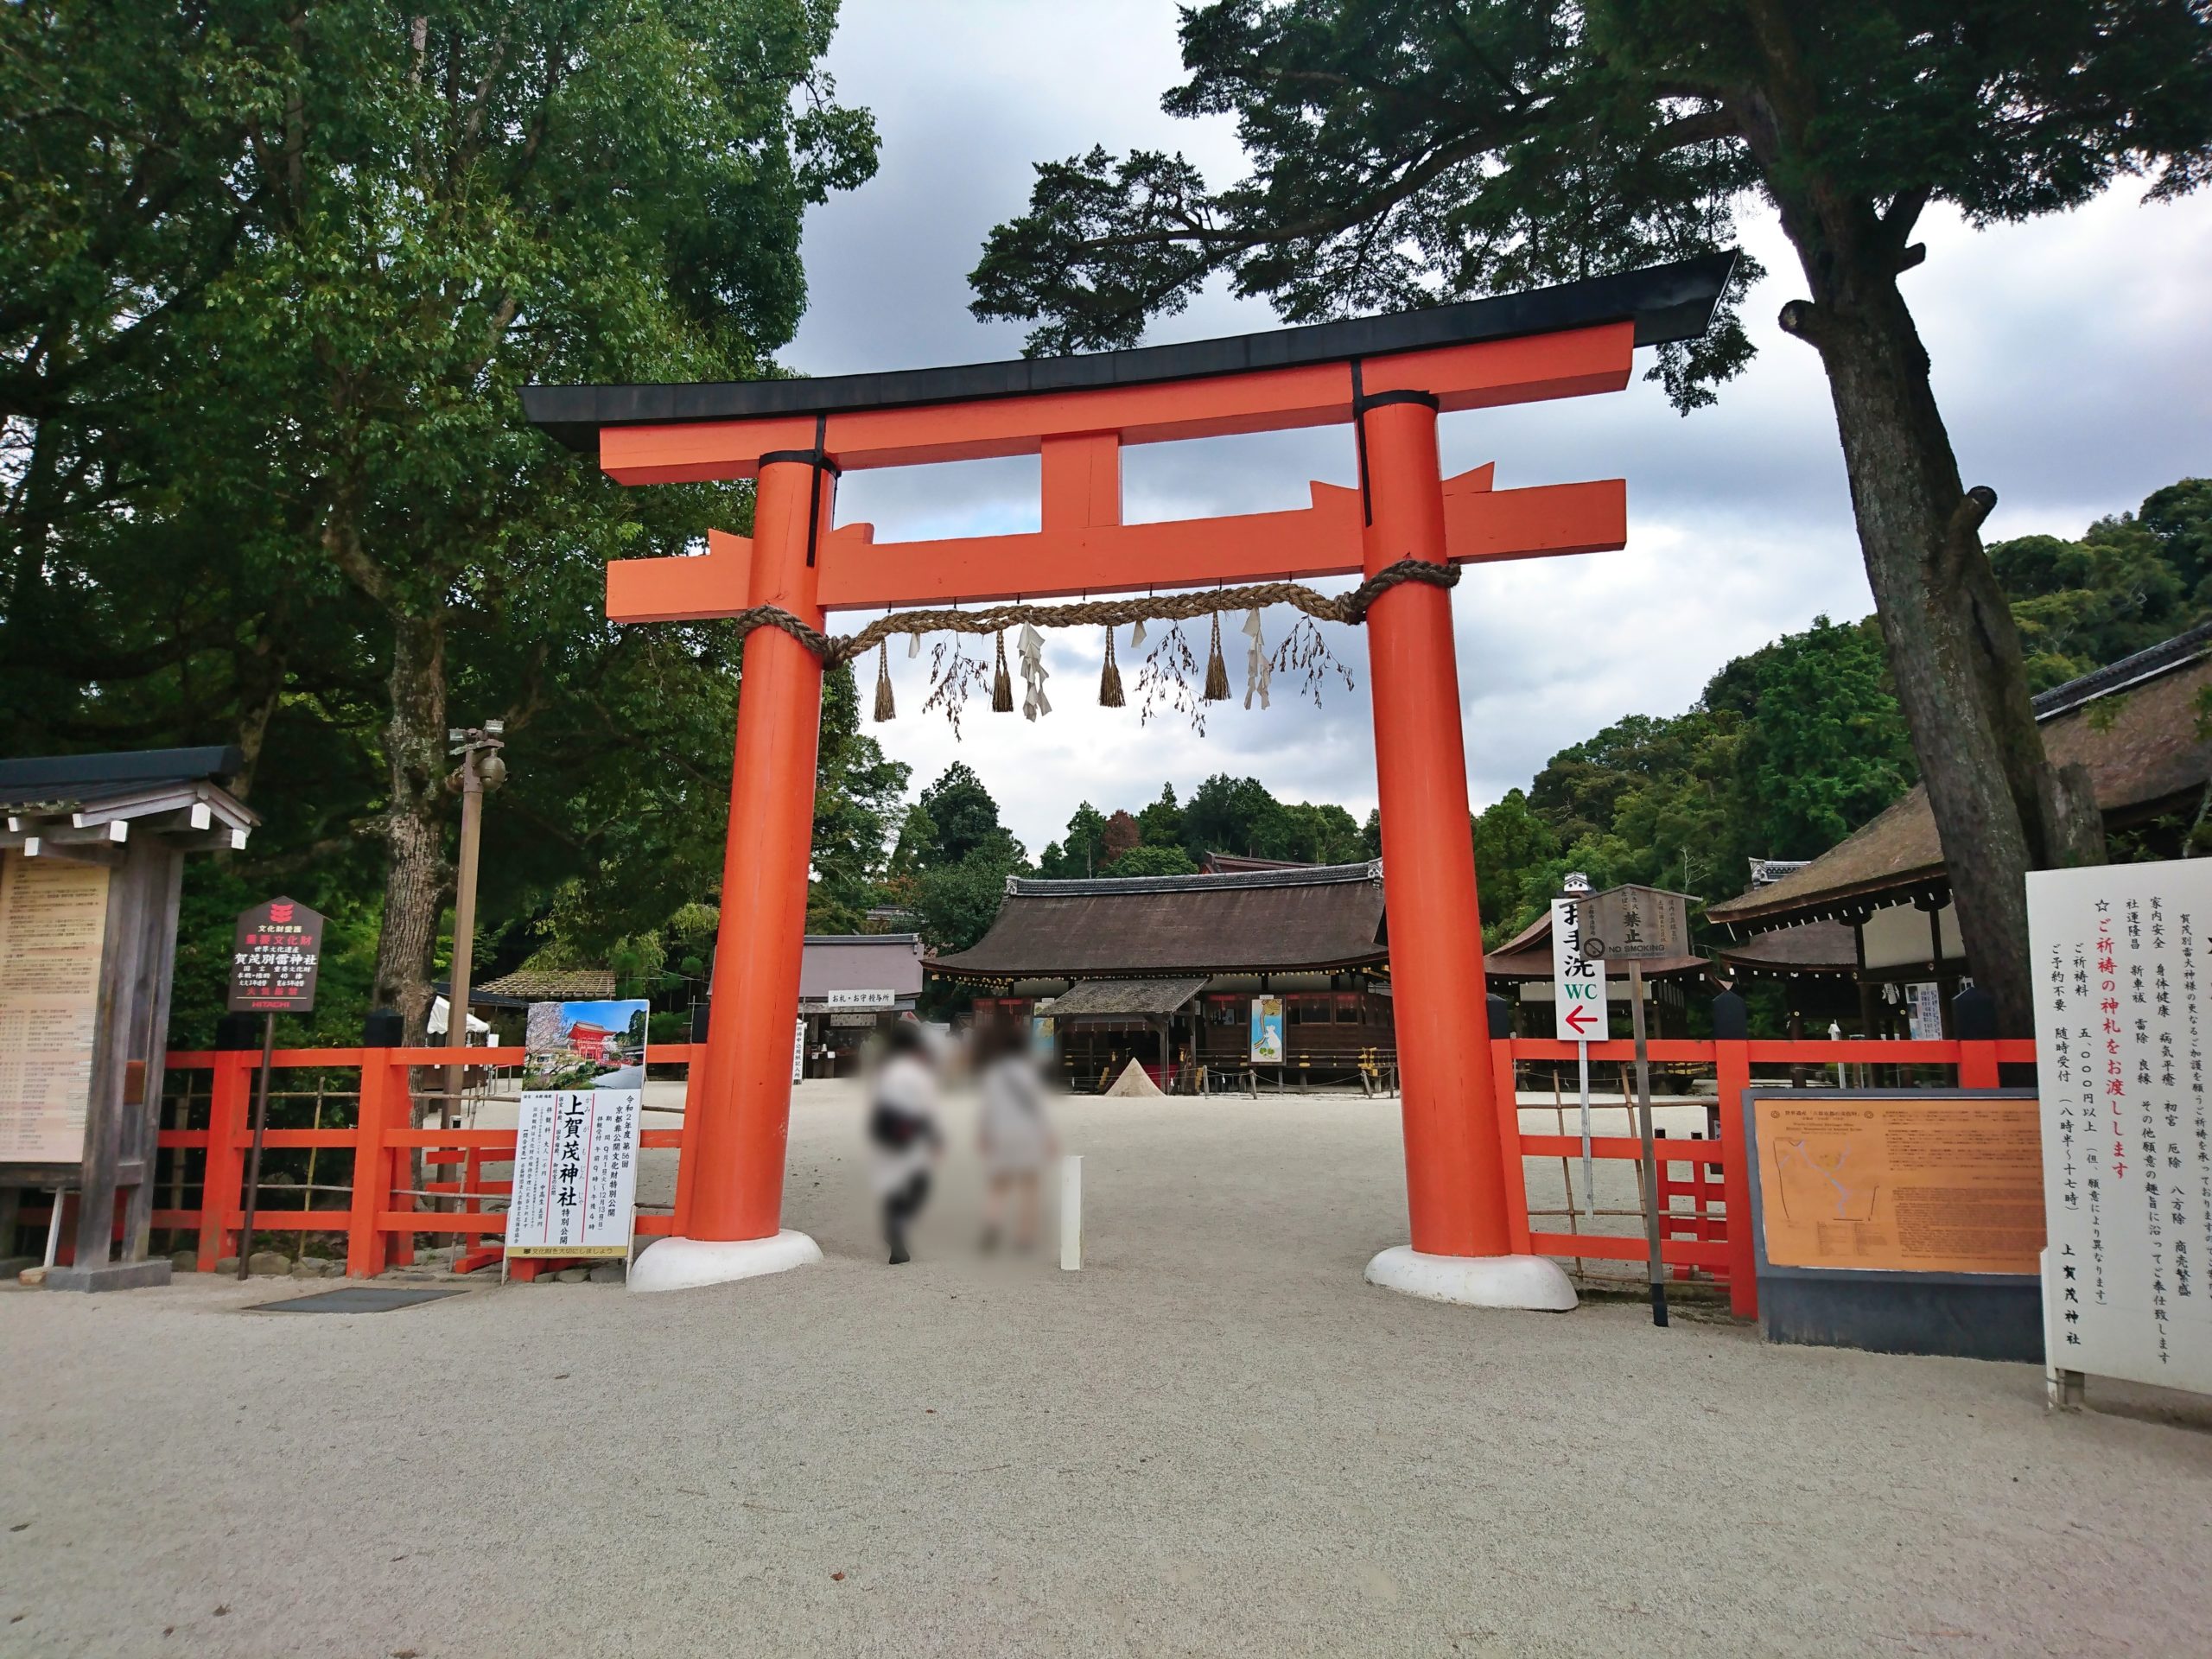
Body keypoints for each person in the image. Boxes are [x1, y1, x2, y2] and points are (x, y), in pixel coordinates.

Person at [975, 1017, 1057, 1252]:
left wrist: (983, 1134)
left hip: (1001, 1132)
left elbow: (987, 1108)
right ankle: (1025, 1236)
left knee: (998, 1184)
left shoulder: (993, 1073)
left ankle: (992, 1225)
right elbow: (1038, 1108)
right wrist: (1048, 1136)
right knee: (1029, 1186)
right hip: (1027, 1133)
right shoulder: (1030, 1073)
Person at [868, 1018, 942, 1264]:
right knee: (920, 1183)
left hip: (885, 1130)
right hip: (909, 1131)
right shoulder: (916, 1071)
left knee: (893, 1183)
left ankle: (895, 1233)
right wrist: (934, 1136)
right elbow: (924, 1106)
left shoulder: (884, 1068)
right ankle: (897, 1227)